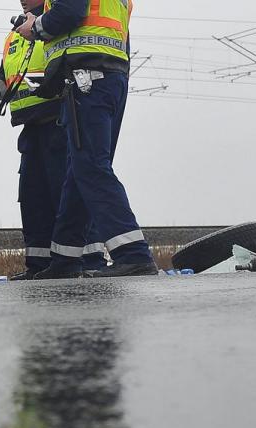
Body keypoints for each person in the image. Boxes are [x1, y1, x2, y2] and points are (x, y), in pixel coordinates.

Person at [0, 0, 106, 278]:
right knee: (33, 198)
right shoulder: (15, 35)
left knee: (68, 195)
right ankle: (39, 267)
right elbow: (6, 81)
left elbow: (69, 58)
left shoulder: (57, 21)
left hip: (61, 121)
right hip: (31, 130)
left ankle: (89, 262)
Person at [18, 0, 159, 278]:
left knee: (91, 168)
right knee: (77, 173)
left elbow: (70, 11)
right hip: (107, 77)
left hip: (89, 78)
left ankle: (133, 254)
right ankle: (65, 260)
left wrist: (35, 26)